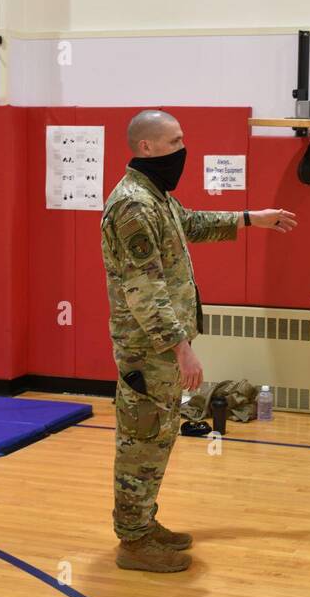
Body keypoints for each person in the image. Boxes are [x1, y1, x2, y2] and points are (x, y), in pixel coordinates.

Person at [101, 109, 297, 573]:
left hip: (160, 350)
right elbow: (144, 288)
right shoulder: (133, 205)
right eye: (173, 142)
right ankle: (133, 540)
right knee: (141, 440)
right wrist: (181, 348)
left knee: (159, 437)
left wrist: (253, 218)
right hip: (149, 350)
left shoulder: (156, 198)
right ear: (145, 147)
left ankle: (144, 525)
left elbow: (191, 222)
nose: (182, 150)